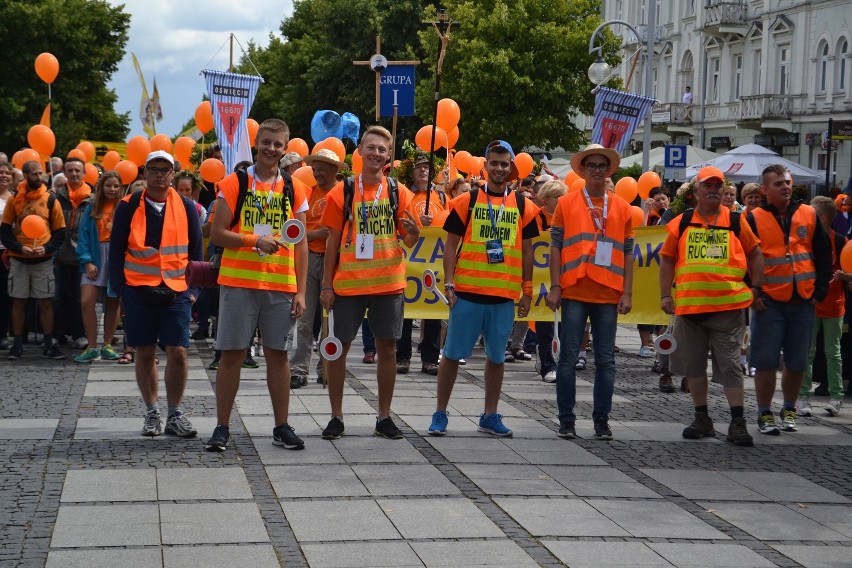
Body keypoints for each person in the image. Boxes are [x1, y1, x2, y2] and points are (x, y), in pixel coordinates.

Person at [204, 119, 310, 452]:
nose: (271, 149)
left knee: (279, 357)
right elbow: (216, 232)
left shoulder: (295, 188)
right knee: (232, 355)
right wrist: (253, 241)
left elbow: (302, 243)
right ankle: (222, 427)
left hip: (280, 285)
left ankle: (281, 426)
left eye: (278, 145)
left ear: (285, 148)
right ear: (256, 143)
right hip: (238, 284)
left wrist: (302, 291)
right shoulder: (235, 182)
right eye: (266, 142)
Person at [428, 140, 539, 437]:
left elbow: (528, 251)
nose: (499, 168)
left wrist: (527, 290)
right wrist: (448, 282)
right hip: (468, 292)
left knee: (497, 357)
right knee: (451, 355)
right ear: (485, 165)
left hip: (503, 295)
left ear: (512, 169)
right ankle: (440, 413)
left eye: (504, 164)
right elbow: (449, 246)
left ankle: (490, 414)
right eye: (494, 163)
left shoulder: (523, 205)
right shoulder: (468, 200)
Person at [319, 125, 419, 440]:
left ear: (388, 155)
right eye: (371, 147)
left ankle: (384, 417)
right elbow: (331, 242)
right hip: (348, 285)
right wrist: (325, 285)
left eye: (382, 149)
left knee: (387, 349)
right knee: (338, 350)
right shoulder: (342, 191)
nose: (376, 153)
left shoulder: (398, 191)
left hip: (388, 284)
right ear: (360, 151)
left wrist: (414, 230)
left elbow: (410, 239)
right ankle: (336, 417)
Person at [659, 166, 764, 447]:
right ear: (696, 192)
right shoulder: (681, 223)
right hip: (690, 308)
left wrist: (756, 288)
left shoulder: (736, 221)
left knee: (730, 365)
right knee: (693, 366)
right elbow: (667, 259)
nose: (714, 190)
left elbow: (755, 253)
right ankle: (702, 417)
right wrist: (665, 296)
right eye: (708, 186)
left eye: (718, 186)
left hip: (728, 308)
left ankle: (737, 421)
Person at [108, 150, 203, 438]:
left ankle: (175, 413)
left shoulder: (187, 207)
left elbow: (197, 252)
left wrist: (194, 291)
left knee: (178, 352)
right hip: (138, 290)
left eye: (166, 169)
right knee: (145, 352)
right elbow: (116, 251)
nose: (160, 174)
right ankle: (152, 412)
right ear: (145, 172)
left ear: (173, 174)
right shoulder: (127, 206)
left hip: (176, 291)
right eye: (155, 169)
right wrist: (121, 290)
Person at [546, 144, 635, 441]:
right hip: (573, 289)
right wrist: (556, 285)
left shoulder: (621, 207)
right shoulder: (567, 203)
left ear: (608, 171)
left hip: (608, 293)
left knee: (606, 361)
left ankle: (602, 421)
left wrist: (627, 292)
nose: (597, 170)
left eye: (601, 166)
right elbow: (555, 247)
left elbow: (628, 252)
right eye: (591, 165)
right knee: (569, 358)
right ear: (582, 170)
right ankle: (566, 419)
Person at [746, 165, 832, 435]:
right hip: (769, 302)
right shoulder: (753, 218)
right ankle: (764, 413)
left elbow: (822, 254)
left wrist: (818, 293)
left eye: (787, 182)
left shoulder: (808, 214)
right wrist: (753, 293)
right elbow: (743, 260)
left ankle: (789, 409)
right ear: (765, 190)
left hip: (803, 301)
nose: (785, 187)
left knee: (797, 362)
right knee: (766, 361)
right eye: (779, 184)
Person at [289, 148, 346, 389]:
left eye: (321, 169)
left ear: (334, 170)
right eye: (314, 169)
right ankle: (299, 369)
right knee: (304, 317)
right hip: (309, 258)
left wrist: (330, 235)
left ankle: (327, 368)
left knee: (332, 320)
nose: (317, 173)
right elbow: (295, 232)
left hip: (336, 262)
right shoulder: (307, 194)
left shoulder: (345, 193)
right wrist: (317, 234)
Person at [0, 161, 66, 359]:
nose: (39, 177)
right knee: (18, 302)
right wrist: (20, 248)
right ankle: (17, 345)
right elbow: (5, 231)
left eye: (41, 174)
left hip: (43, 260)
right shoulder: (15, 200)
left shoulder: (50, 199)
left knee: (46, 302)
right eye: (35, 174)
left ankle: (48, 344)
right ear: (26, 176)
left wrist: (46, 248)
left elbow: (60, 232)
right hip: (20, 260)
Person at [797, 196, 847, 416]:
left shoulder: (841, 241)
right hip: (811, 304)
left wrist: (845, 275)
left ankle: (837, 397)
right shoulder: (806, 241)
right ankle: (803, 397)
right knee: (807, 352)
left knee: (833, 352)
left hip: (835, 306)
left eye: (812, 214)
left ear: (823, 218)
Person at [397, 154, 446, 375]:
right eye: (419, 168)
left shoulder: (442, 196)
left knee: (433, 311)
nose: (423, 171)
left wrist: (433, 224)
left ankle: (430, 358)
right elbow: (400, 222)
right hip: (409, 258)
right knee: (405, 310)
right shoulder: (405, 194)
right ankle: (402, 356)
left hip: (434, 260)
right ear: (411, 172)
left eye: (427, 167)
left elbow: (448, 223)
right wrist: (418, 225)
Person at [74, 171, 125, 362]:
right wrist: (87, 261)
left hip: (115, 258)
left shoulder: (123, 207)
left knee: (113, 302)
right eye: (108, 185)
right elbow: (83, 236)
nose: (112, 189)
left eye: (116, 186)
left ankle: (108, 344)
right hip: (95, 256)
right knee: (86, 301)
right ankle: (92, 345)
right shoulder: (91, 207)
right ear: (101, 187)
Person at [54, 157, 92, 348]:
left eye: (78, 171)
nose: (74, 174)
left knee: (79, 298)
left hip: (81, 257)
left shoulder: (92, 199)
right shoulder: (56, 197)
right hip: (59, 255)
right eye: (70, 171)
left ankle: (79, 333)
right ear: (65, 173)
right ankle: (57, 333)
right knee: (57, 296)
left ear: (84, 173)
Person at [532, 180, 566, 383]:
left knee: (562, 325)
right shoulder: (536, 218)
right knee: (545, 323)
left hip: (562, 275)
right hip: (541, 277)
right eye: (557, 197)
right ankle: (547, 364)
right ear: (546, 199)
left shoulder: (569, 218)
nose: (561, 201)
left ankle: (560, 362)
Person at [0, 161, 14, 348]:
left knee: (4, 294)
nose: (3, 175)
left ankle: (2, 334)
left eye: (6, 172)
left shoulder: (15, 199)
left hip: (7, 251)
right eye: (0, 172)